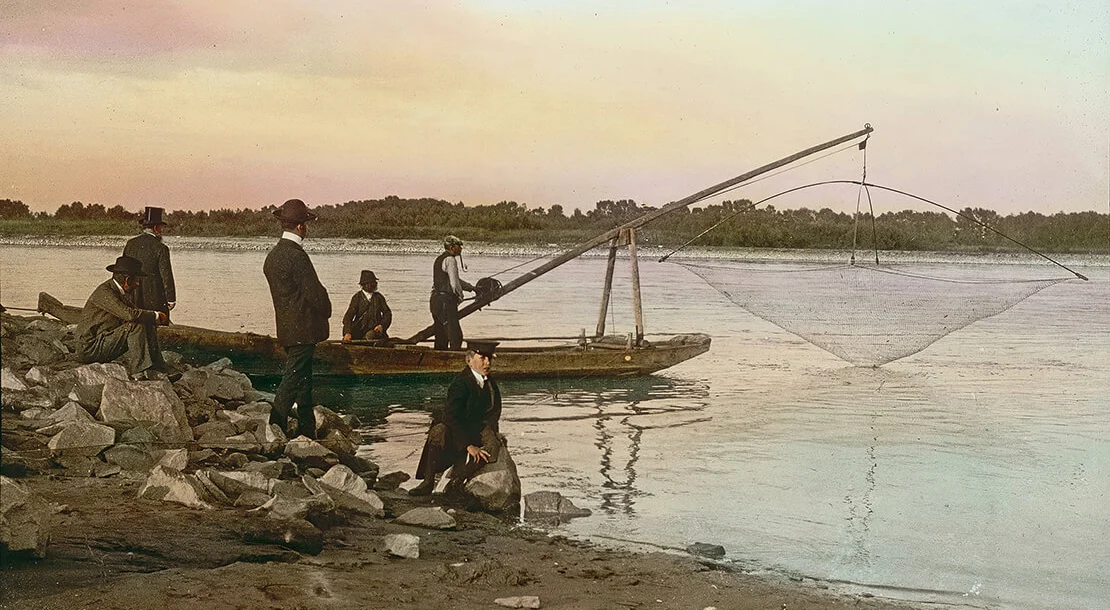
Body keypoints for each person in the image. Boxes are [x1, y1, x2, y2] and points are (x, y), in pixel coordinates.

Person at [263, 198, 332, 439]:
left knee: (304, 378)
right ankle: (275, 425)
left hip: (287, 328)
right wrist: (327, 310)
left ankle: (306, 428)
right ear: (301, 227)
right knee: (294, 378)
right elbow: (316, 294)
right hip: (304, 328)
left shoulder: (272, 256)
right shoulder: (297, 256)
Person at [409, 340, 502, 496]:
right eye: (482, 358)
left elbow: (495, 410)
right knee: (438, 432)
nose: (487, 363)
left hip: (477, 428)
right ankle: (428, 481)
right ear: (469, 360)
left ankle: (458, 480)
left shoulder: (490, 383)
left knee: (493, 446)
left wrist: (491, 431)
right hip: (455, 429)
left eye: (489, 359)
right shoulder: (460, 383)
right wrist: (468, 445)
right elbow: (451, 417)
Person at [75, 255, 169, 379]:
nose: (138, 284)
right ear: (127, 280)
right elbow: (129, 315)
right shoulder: (105, 292)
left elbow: (135, 311)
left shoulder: (117, 291)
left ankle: (158, 368)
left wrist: (153, 318)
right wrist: (156, 315)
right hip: (88, 349)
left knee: (145, 321)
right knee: (135, 325)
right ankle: (138, 373)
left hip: (101, 340)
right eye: (137, 280)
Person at [122, 206, 176, 318]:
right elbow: (166, 276)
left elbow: (122, 269)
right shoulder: (161, 248)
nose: (161, 231)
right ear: (156, 228)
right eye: (160, 228)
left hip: (132, 297)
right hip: (154, 300)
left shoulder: (130, 243)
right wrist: (171, 299)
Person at [429, 235, 474, 350]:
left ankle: (438, 360)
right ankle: (454, 360)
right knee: (456, 336)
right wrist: (460, 296)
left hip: (435, 301)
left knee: (441, 335)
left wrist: (471, 288)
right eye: (459, 246)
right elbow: (454, 283)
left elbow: (452, 279)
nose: (461, 248)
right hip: (446, 303)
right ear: (452, 247)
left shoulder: (440, 259)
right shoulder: (451, 260)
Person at [342, 270, 392, 342]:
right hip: (359, 331)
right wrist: (347, 332)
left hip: (375, 332)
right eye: (371, 283)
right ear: (364, 284)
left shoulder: (379, 297)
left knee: (370, 335)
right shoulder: (357, 298)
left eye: (374, 283)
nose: (374, 285)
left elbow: (387, 313)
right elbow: (348, 317)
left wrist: (382, 326)